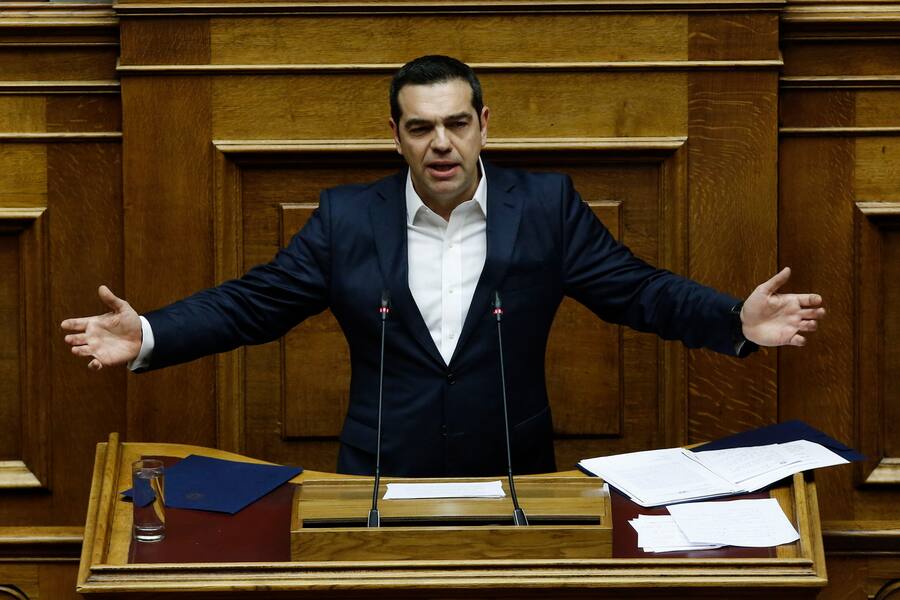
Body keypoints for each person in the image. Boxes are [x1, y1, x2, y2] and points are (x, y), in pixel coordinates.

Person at [61, 55, 825, 477]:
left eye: (457, 123)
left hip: (512, 470)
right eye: (421, 127)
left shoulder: (547, 206)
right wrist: (151, 333)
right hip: (379, 476)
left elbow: (637, 290)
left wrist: (736, 320)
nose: (441, 144)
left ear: (483, 126)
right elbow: (253, 305)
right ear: (395, 136)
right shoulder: (348, 218)